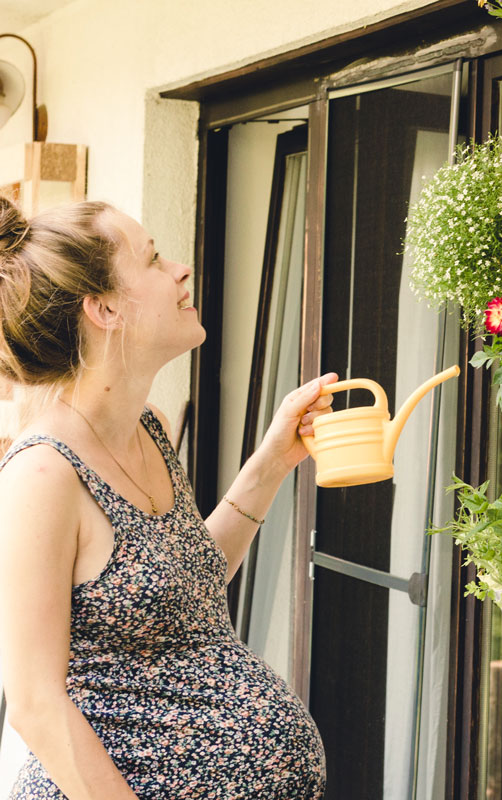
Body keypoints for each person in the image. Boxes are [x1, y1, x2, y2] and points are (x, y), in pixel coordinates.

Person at [0, 196, 335, 799]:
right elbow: (35, 703)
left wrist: (274, 461)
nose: (180, 269)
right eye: (153, 259)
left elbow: (185, 586)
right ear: (103, 308)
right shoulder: (43, 475)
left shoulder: (148, 426)